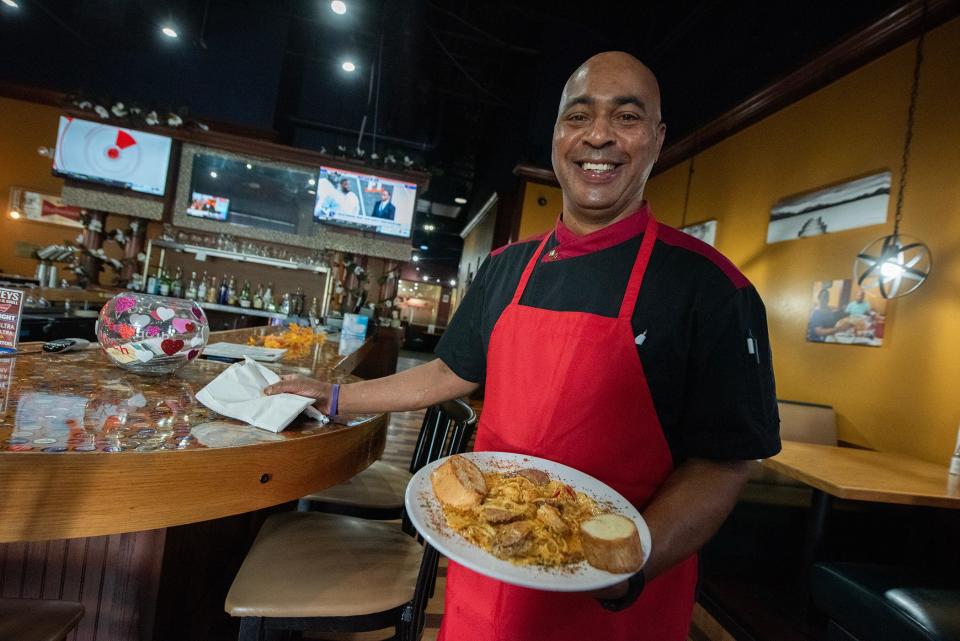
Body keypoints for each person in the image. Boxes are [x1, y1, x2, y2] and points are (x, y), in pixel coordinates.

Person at [265, 51, 780, 641]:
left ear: (658, 139)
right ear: (557, 135)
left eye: (627, 117)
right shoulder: (506, 268)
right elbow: (448, 373)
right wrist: (333, 396)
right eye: (578, 116)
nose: (599, 136)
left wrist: (627, 571)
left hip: (615, 596)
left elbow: (724, 461)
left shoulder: (713, 288)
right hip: (488, 570)